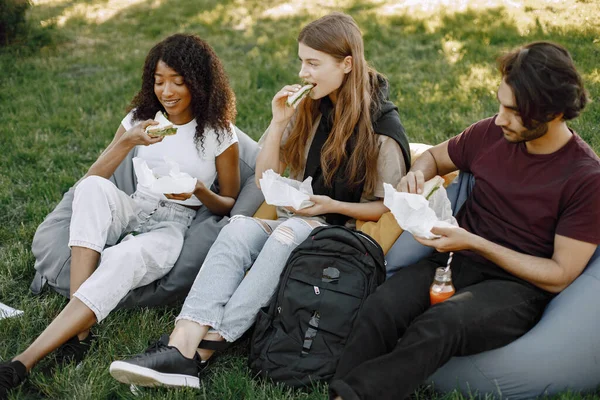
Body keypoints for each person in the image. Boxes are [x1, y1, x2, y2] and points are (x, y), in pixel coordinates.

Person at [108, 12, 411, 389]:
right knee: (238, 229)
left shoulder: (382, 129)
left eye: (313, 63)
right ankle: (180, 341)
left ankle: (204, 348)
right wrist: (280, 121)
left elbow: (386, 206)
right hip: (298, 217)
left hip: (340, 233)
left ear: (347, 65)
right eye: (302, 61)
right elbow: (267, 178)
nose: (303, 72)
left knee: (285, 237)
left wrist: (330, 206)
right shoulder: (310, 106)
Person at [328, 41, 600, 400]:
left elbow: (560, 274)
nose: (500, 117)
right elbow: (436, 158)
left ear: (550, 114)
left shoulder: (585, 178)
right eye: (501, 103)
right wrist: (417, 174)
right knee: (382, 306)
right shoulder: (491, 133)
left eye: (512, 110)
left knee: (441, 324)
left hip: (516, 286)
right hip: (456, 260)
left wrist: (474, 242)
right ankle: (342, 384)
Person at [0, 33, 240, 396]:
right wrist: (127, 140)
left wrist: (199, 191)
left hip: (173, 225)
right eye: (159, 81)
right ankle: (78, 330)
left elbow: (232, 201)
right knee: (92, 189)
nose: (167, 91)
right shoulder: (139, 120)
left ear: (199, 83)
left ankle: (23, 362)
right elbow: (92, 177)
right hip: (135, 205)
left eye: (178, 81)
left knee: (124, 256)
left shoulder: (220, 134)